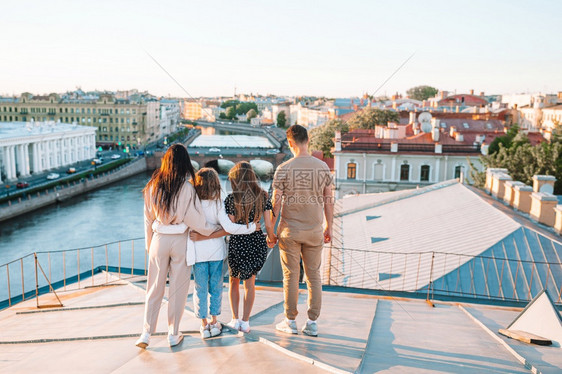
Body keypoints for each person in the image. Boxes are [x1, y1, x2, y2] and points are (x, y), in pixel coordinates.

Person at [135, 144, 219, 349]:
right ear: (185, 162)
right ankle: (173, 333)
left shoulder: (152, 185)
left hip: (158, 239)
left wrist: (149, 245)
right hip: (180, 240)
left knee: (154, 288)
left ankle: (146, 333)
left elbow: (147, 219)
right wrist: (215, 229)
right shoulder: (187, 188)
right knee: (178, 289)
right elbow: (196, 221)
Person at [270, 124, 334, 337]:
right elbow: (329, 200)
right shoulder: (323, 167)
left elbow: (276, 204)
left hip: (290, 231)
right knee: (313, 276)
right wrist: (329, 226)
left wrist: (271, 230)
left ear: (290, 143)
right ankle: (312, 323)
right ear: (308, 141)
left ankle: (290, 321)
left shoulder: (284, 169)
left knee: (290, 276)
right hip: (314, 230)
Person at [188, 168, 260, 339]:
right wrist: (251, 227)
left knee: (200, 288)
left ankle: (204, 324)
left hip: (198, 254)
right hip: (216, 253)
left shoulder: (193, 203)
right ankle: (214, 321)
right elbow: (229, 228)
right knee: (216, 287)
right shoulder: (219, 202)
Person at [224, 161, 276, 333]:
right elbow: (268, 224)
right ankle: (245, 322)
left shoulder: (231, 199)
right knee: (250, 283)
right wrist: (272, 237)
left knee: (233, 281)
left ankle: (234, 319)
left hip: (238, 242)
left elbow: (230, 225)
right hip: (255, 241)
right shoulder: (262, 196)